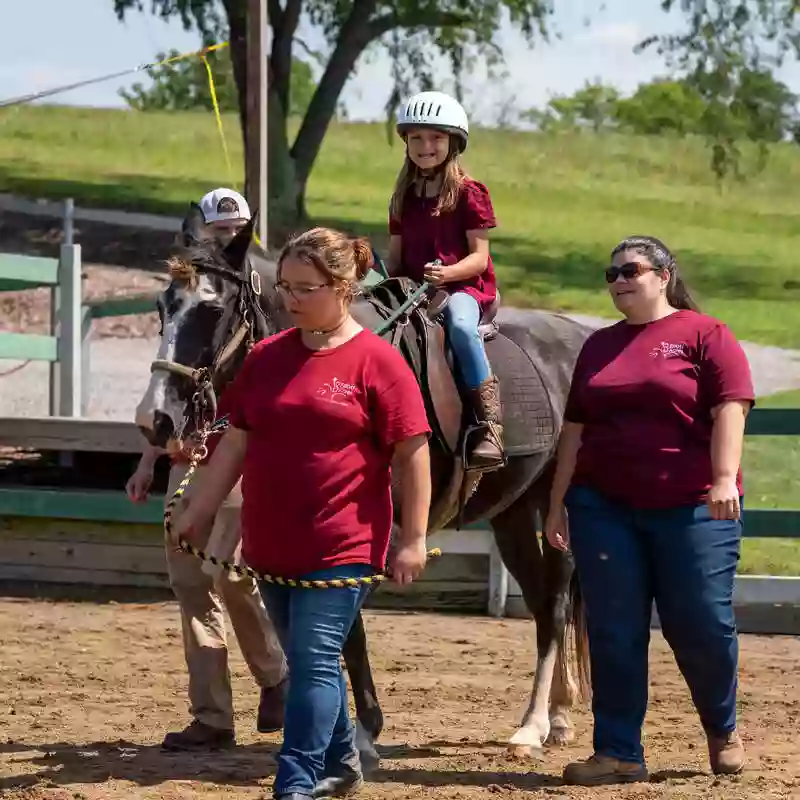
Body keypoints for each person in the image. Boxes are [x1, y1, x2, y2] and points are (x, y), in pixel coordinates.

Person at [172, 226, 433, 799]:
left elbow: (413, 455)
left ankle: (296, 781)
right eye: (285, 287)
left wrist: (412, 538)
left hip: (344, 545)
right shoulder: (266, 358)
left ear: (344, 287)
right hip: (271, 545)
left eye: (304, 288)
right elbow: (235, 442)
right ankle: (342, 763)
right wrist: (199, 507)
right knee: (307, 659)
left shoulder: (378, 363)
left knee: (312, 663)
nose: (290, 300)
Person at [544, 235, 754, 785]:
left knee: (702, 624)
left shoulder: (705, 334)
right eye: (609, 274)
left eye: (629, 270)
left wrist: (724, 478)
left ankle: (722, 724)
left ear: (664, 275)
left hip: (692, 507)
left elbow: (731, 405)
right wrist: (557, 501)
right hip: (603, 506)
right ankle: (617, 751)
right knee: (613, 629)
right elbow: (575, 430)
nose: (617, 281)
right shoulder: (598, 346)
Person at [126, 186, 288, 751]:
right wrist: (150, 456)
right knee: (191, 585)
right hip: (184, 458)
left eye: (231, 230)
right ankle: (213, 716)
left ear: (245, 234)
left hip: (238, 460)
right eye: (212, 228)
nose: (219, 238)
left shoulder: (262, 307)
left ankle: (275, 675)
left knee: (230, 575)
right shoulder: (187, 296)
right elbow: (168, 384)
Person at [386, 89, 504, 469]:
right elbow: (395, 256)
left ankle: (489, 424)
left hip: (462, 287)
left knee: (460, 326)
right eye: (417, 137)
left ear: (454, 143)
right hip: (412, 289)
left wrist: (446, 274)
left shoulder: (470, 193)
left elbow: (479, 258)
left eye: (436, 137)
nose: (426, 146)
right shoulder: (404, 194)